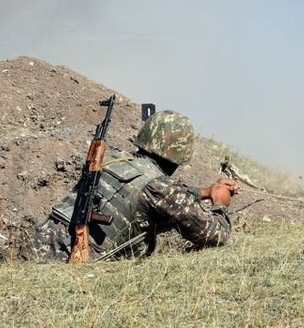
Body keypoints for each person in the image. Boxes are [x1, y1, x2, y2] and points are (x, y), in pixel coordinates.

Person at [21, 109, 239, 262]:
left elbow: (155, 192)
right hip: (73, 260)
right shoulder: (161, 188)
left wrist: (204, 192)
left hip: (37, 248)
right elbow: (216, 236)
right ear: (180, 153)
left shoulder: (114, 160)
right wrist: (220, 204)